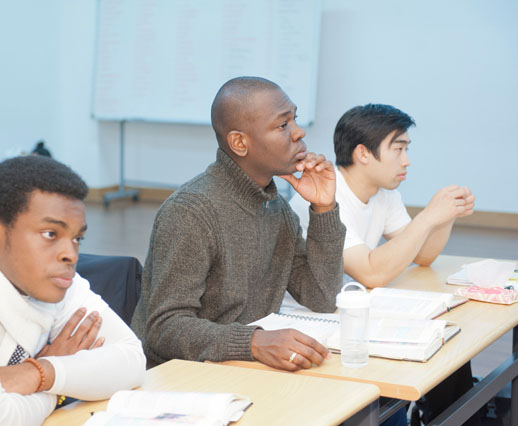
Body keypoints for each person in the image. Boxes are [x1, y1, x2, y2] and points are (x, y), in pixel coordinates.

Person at [131, 76, 346, 372]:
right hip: (179, 376)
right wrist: (254, 342)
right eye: (283, 124)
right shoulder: (190, 212)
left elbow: (321, 296)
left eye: (294, 119)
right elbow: (165, 328)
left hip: (240, 368)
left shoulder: (276, 209)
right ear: (240, 143)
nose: (299, 132)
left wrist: (324, 209)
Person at [0, 155, 145, 425]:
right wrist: (55, 392)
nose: (70, 254)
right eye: (50, 234)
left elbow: (132, 360)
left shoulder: (54, 279)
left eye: (77, 238)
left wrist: (40, 372)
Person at [289, 104, 477, 425]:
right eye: (398, 149)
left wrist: (446, 216)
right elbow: (372, 272)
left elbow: (422, 255)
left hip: (354, 310)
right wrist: (428, 217)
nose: (406, 160)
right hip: (313, 323)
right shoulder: (325, 194)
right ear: (363, 153)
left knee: (447, 343)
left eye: (406, 149)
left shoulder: (384, 194)